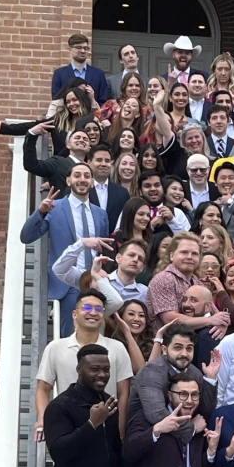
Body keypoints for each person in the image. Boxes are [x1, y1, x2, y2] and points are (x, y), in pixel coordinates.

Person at [20, 162, 113, 336]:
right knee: (69, 337)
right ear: (68, 181)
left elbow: (103, 249)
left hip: (93, 283)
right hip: (67, 283)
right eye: (77, 175)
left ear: (92, 181)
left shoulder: (101, 214)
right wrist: (40, 212)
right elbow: (26, 237)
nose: (82, 179)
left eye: (87, 176)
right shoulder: (55, 208)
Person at [35, 288, 133, 443]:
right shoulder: (55, 347)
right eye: (87, 308)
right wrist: (42, 419)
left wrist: (120, 432)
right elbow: (43, 388)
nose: (93, 313)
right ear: (75, 314)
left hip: (107, 427)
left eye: (98, 309)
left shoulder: (117, 348)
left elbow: (123, 393)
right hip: (67, 427)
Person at [146, 232, 231, 338]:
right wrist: (209, 321)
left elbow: (216, 313)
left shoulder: (198, 283)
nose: (189, 257)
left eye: (194, 254)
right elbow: (170, 320)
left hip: (192, 344)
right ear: (172, 255)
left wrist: (222, 324)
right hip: (164, 347)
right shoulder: (163, 279)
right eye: (184, 252)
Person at [52, 33, 110, 105]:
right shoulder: (59, 74)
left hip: (91, 115)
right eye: (79, 47)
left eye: (85, 48)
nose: (83, 51)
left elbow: (103, 102)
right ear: (70, 49)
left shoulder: (98, 74)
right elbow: (56, 100)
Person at [86, 144, 130, 230]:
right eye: (99, 160)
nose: (103, 164)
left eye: (107, 161)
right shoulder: (80, 189)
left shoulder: (122, 193)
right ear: (89, 162)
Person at [109, 299, 155, 367]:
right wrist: (126, 332)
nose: (137, 319)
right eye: (131, 314)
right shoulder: (112, 345)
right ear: (120, 318)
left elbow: (142, 371)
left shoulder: (153, 346)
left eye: (141, 315)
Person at [106, 239, 149, 304]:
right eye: (131, 255)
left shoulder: (145, 293)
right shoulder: (101, 281)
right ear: (118, 258)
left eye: (140, 259)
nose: (135, 260)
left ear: (142, 268)